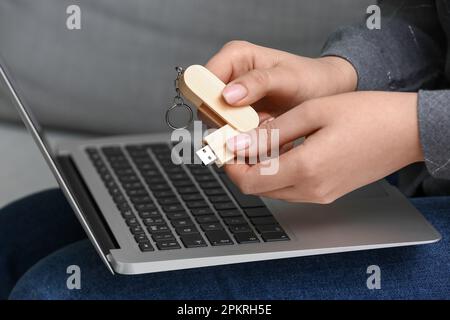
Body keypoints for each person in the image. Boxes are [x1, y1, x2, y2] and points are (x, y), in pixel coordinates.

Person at [1, 0, 450, 299]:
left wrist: (414, 129)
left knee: (53, 292)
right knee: (13, 239)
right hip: (412, 161)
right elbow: (429, 20)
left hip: (420, 151)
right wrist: (339, 73)